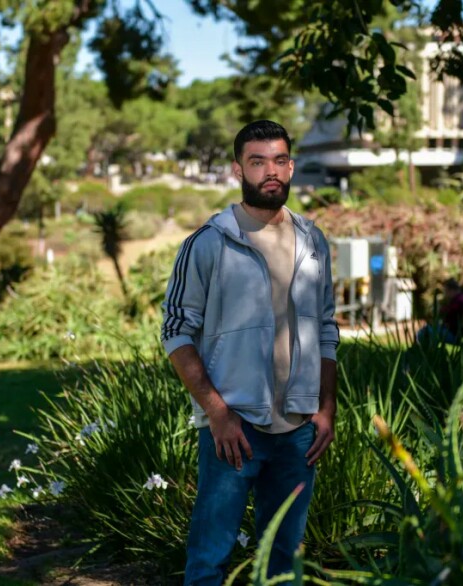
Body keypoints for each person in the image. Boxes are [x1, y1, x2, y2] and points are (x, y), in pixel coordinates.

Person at [161, 120, 340, 584]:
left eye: (279, 160)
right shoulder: (208, 243)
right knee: (209, 562)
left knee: (283, 566)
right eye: (258, 162)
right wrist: (217, 413)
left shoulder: (312, 240)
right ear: (238, 169)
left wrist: (326, 406)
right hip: (235, 429)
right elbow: (177, 334)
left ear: (291, 166)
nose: (270, 171)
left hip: (299, 431)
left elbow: (325, 328)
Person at [416, 278, 463, 345]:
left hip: (453, 334)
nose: (445, 294)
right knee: (427, 329)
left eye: (446, 291)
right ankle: (428, 352)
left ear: (451, 290)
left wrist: (439, 309)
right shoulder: (460, 299)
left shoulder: (459, 301)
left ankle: (425, 353)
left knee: (424, 332)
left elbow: (447, 312)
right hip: (453, 332)